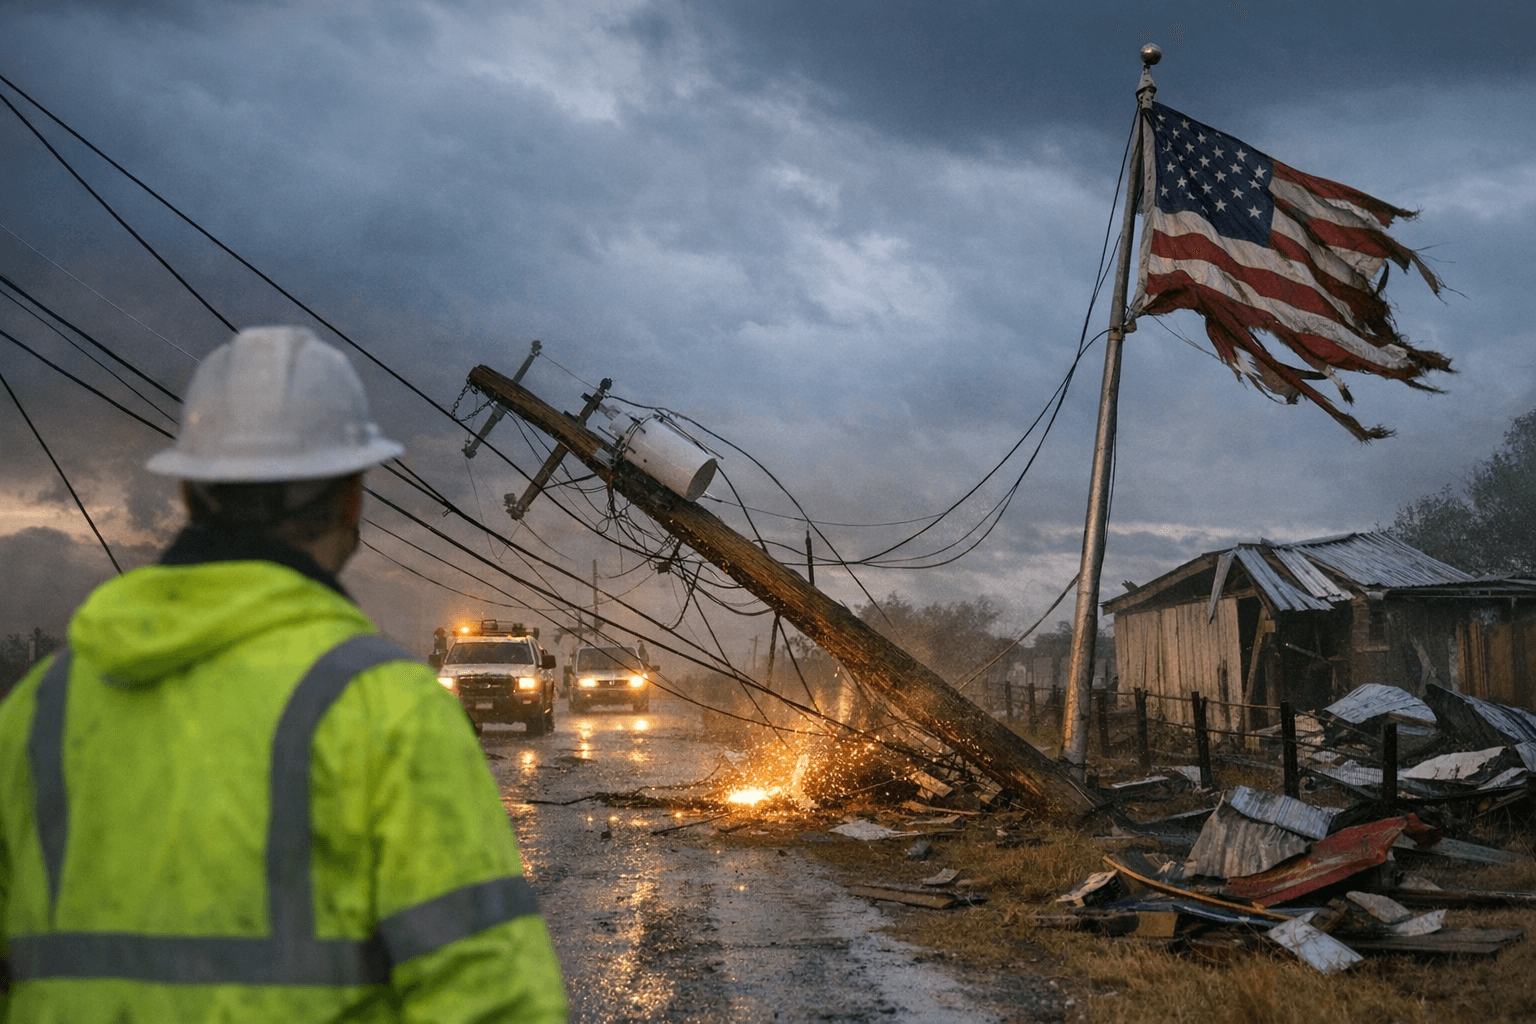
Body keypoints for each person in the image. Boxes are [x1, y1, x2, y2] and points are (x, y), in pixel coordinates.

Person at [0, 326, 568, 1022]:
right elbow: (495, 1001)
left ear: (189, 493)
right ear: (352, 499)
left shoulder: (39, 708)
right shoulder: (386, 709)